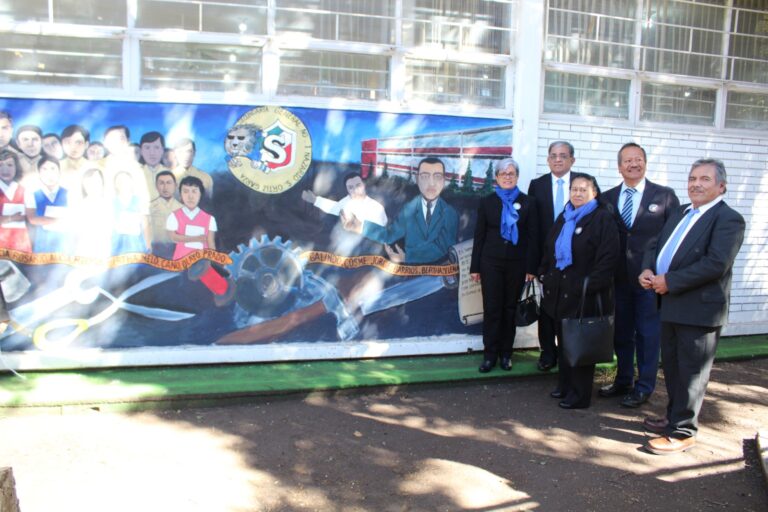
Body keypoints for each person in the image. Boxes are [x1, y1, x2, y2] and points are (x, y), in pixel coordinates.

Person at [639, 158, 745, 455]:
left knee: (692, 373)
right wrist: (648, 269)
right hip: (670, 304)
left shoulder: (729, 219)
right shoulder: (682, 212)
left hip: (699, 310)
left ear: (721, 186)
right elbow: (656, 246)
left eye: (704, 179)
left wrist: (670, 281)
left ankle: (683, 432)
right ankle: (673, 418)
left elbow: (715, 264)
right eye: (692, 178)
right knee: (672, 367)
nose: (696, 183)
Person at [597, 143, 680, 408]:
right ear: (619, 166)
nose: (634, 164)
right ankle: (623, 380)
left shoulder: (665, 196)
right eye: (628, 161)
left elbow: (673, 239)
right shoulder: (606, 198)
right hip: (617, 279)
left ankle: (644, 386)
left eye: (638, 159)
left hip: (649, 281)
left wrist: (662, 274)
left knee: (647, 334)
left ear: (645, 163)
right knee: (621, 333)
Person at [538, 174, 619, 409]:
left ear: (594, 192)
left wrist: (588, 285)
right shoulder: (564, 217)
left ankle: (580, 395)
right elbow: (549, 247)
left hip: (584, 294)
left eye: (584, 189)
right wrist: (543, 272)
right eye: (574, 189)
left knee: (579, 343)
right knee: (564, 341)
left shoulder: (602, 219)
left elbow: (608, 258)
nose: (578, 193)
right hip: (559, 292)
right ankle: (565, 386)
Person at [469, 158, 539, 373]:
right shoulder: (487, 201)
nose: (507, 176)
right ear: (496, 178)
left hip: (517, 265)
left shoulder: (528, 202)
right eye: (503, 173)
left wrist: (531, 268)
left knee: (509, 309)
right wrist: (475, 267)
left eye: (512, 173)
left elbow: (533, 237)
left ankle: (506, 355)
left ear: (517, 177)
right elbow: (479, 236)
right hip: (490, 263)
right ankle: (489, 355)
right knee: (492, 309)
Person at [528, 141, 586, 372]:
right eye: (553, 155)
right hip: (547, 259)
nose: (558, 160)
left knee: (570, 307)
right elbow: (533, 228)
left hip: (575, 257)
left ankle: (568, 353)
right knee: (547, 308)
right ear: (548, 159)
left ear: (572, 159)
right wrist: (534, 264)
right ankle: (547, 353)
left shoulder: (584, 182)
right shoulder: (538, 184)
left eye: (563, 156)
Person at [342, 157, 459, 264]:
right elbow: (390, 235)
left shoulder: (449, 213)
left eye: (437, 176)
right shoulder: (410, 208)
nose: (431, 183)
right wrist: (360, 227)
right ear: (417, 179)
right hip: (411, 275)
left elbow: (442, 248)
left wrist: (407, 257)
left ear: (444, 181)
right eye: (425, 176)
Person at [25, 155, 71, 254]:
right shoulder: (32, 195)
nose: (49, 173)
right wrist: (58, 220)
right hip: (42, 246)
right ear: (39, 173)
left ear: (59, 172)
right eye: (44, 169)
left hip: (65, 246)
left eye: (53, 169)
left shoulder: (69, 193)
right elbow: (32, 219)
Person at [167, 176, 217, 260]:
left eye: (194, 192)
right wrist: (197, 238)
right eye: (185, 191)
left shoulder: (210, 219)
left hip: (202, 264)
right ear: (180, 195)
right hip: (180, 264)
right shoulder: (174, 216)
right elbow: (173, 238)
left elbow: (211, 244)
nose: (190, 196)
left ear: (200, 194)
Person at [74, 168, 112, 258]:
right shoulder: (79, 206)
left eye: (97, 182)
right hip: (84, 253)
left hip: (105, 253)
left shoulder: (109, 204)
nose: (94, 185)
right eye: (90, 182)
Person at [111, 170, 150, 255]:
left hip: (137, 246)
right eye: (119, 181)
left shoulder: (140, 201)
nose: (123, 183)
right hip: (117, 248)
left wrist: (148, 247)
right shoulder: (111, 203)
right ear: (115, 185)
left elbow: (145, 226)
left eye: (126, 180)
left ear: (131, 182)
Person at [0, 150, 32, 252]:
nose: (5, 169)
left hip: (21, 244)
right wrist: (12, 218)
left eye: (10, 165)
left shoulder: (25, 190)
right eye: (1, 165)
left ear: (16, 168)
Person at [150, 170, 182, 258]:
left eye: (169, 183)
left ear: (175, 185)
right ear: (156, 186)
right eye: (161, 183)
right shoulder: (150, 208)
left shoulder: (183, 209)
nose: (165, 187)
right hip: (155, 253)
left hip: (177, 253)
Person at [60, 125, 91, 195]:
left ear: (86, 145)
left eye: (78, 142)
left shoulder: (94, 167)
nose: (73, 147)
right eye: (67, 142)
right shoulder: (55, 167)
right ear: (62, 145)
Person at [139, 131, 169, 201]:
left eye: (156, 147)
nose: (152, 153)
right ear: (141, 151)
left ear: (162, 150)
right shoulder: (136, 173)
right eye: (147, 148)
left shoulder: (170, 173)